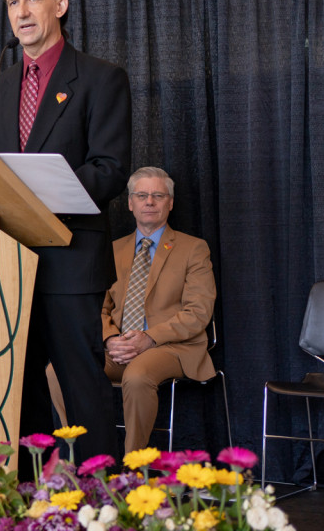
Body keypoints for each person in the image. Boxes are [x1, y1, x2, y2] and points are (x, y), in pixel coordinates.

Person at [0, 0, 131, 468]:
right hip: (10, 265)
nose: (20, 12)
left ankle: (101, 503)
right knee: (18, 395)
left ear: (59, 6)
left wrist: (40, 190)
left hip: (70, 265)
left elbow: (109, 171)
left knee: (83, 393)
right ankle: (27, 505)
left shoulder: (101, 78)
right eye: (12, 3)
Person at [103, 166, 216, 452]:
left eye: (157, 195)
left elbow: (198, 312)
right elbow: (97, 308)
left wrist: (149, 337)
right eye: (141, 195)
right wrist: (109, 339)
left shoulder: (194, 249)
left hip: (172, 347)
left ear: (170, 203)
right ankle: (81, 460)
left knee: (138, 374)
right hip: (118, 349)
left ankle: (132, 469)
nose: (149, 201)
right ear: (130, 203)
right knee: (57, 372)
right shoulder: (112, 250)